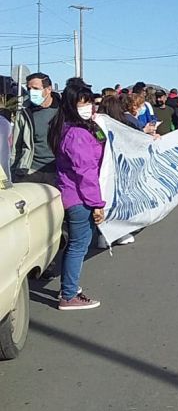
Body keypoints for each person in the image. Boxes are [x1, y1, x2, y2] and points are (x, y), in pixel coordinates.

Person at [48, 80, 104, 310]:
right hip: (79, 197)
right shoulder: (77, 134)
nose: (88, 106)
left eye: (90, 102)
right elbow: (86, 173)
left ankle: (70, 287)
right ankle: (68, 294)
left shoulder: (69, 127)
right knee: (79, 244)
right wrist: (97, 204)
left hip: (74, 193)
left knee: (77, 243)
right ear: (71, 105)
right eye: (83, 102)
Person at [11, 72, 61, 184]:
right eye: (29, 89)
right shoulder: (25, 111)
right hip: (30, 171)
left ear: (48, 89)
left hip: (57, 172)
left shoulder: (63, 110)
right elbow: (16, 146)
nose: (31, 92)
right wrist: (14, 172)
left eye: (36, 88)